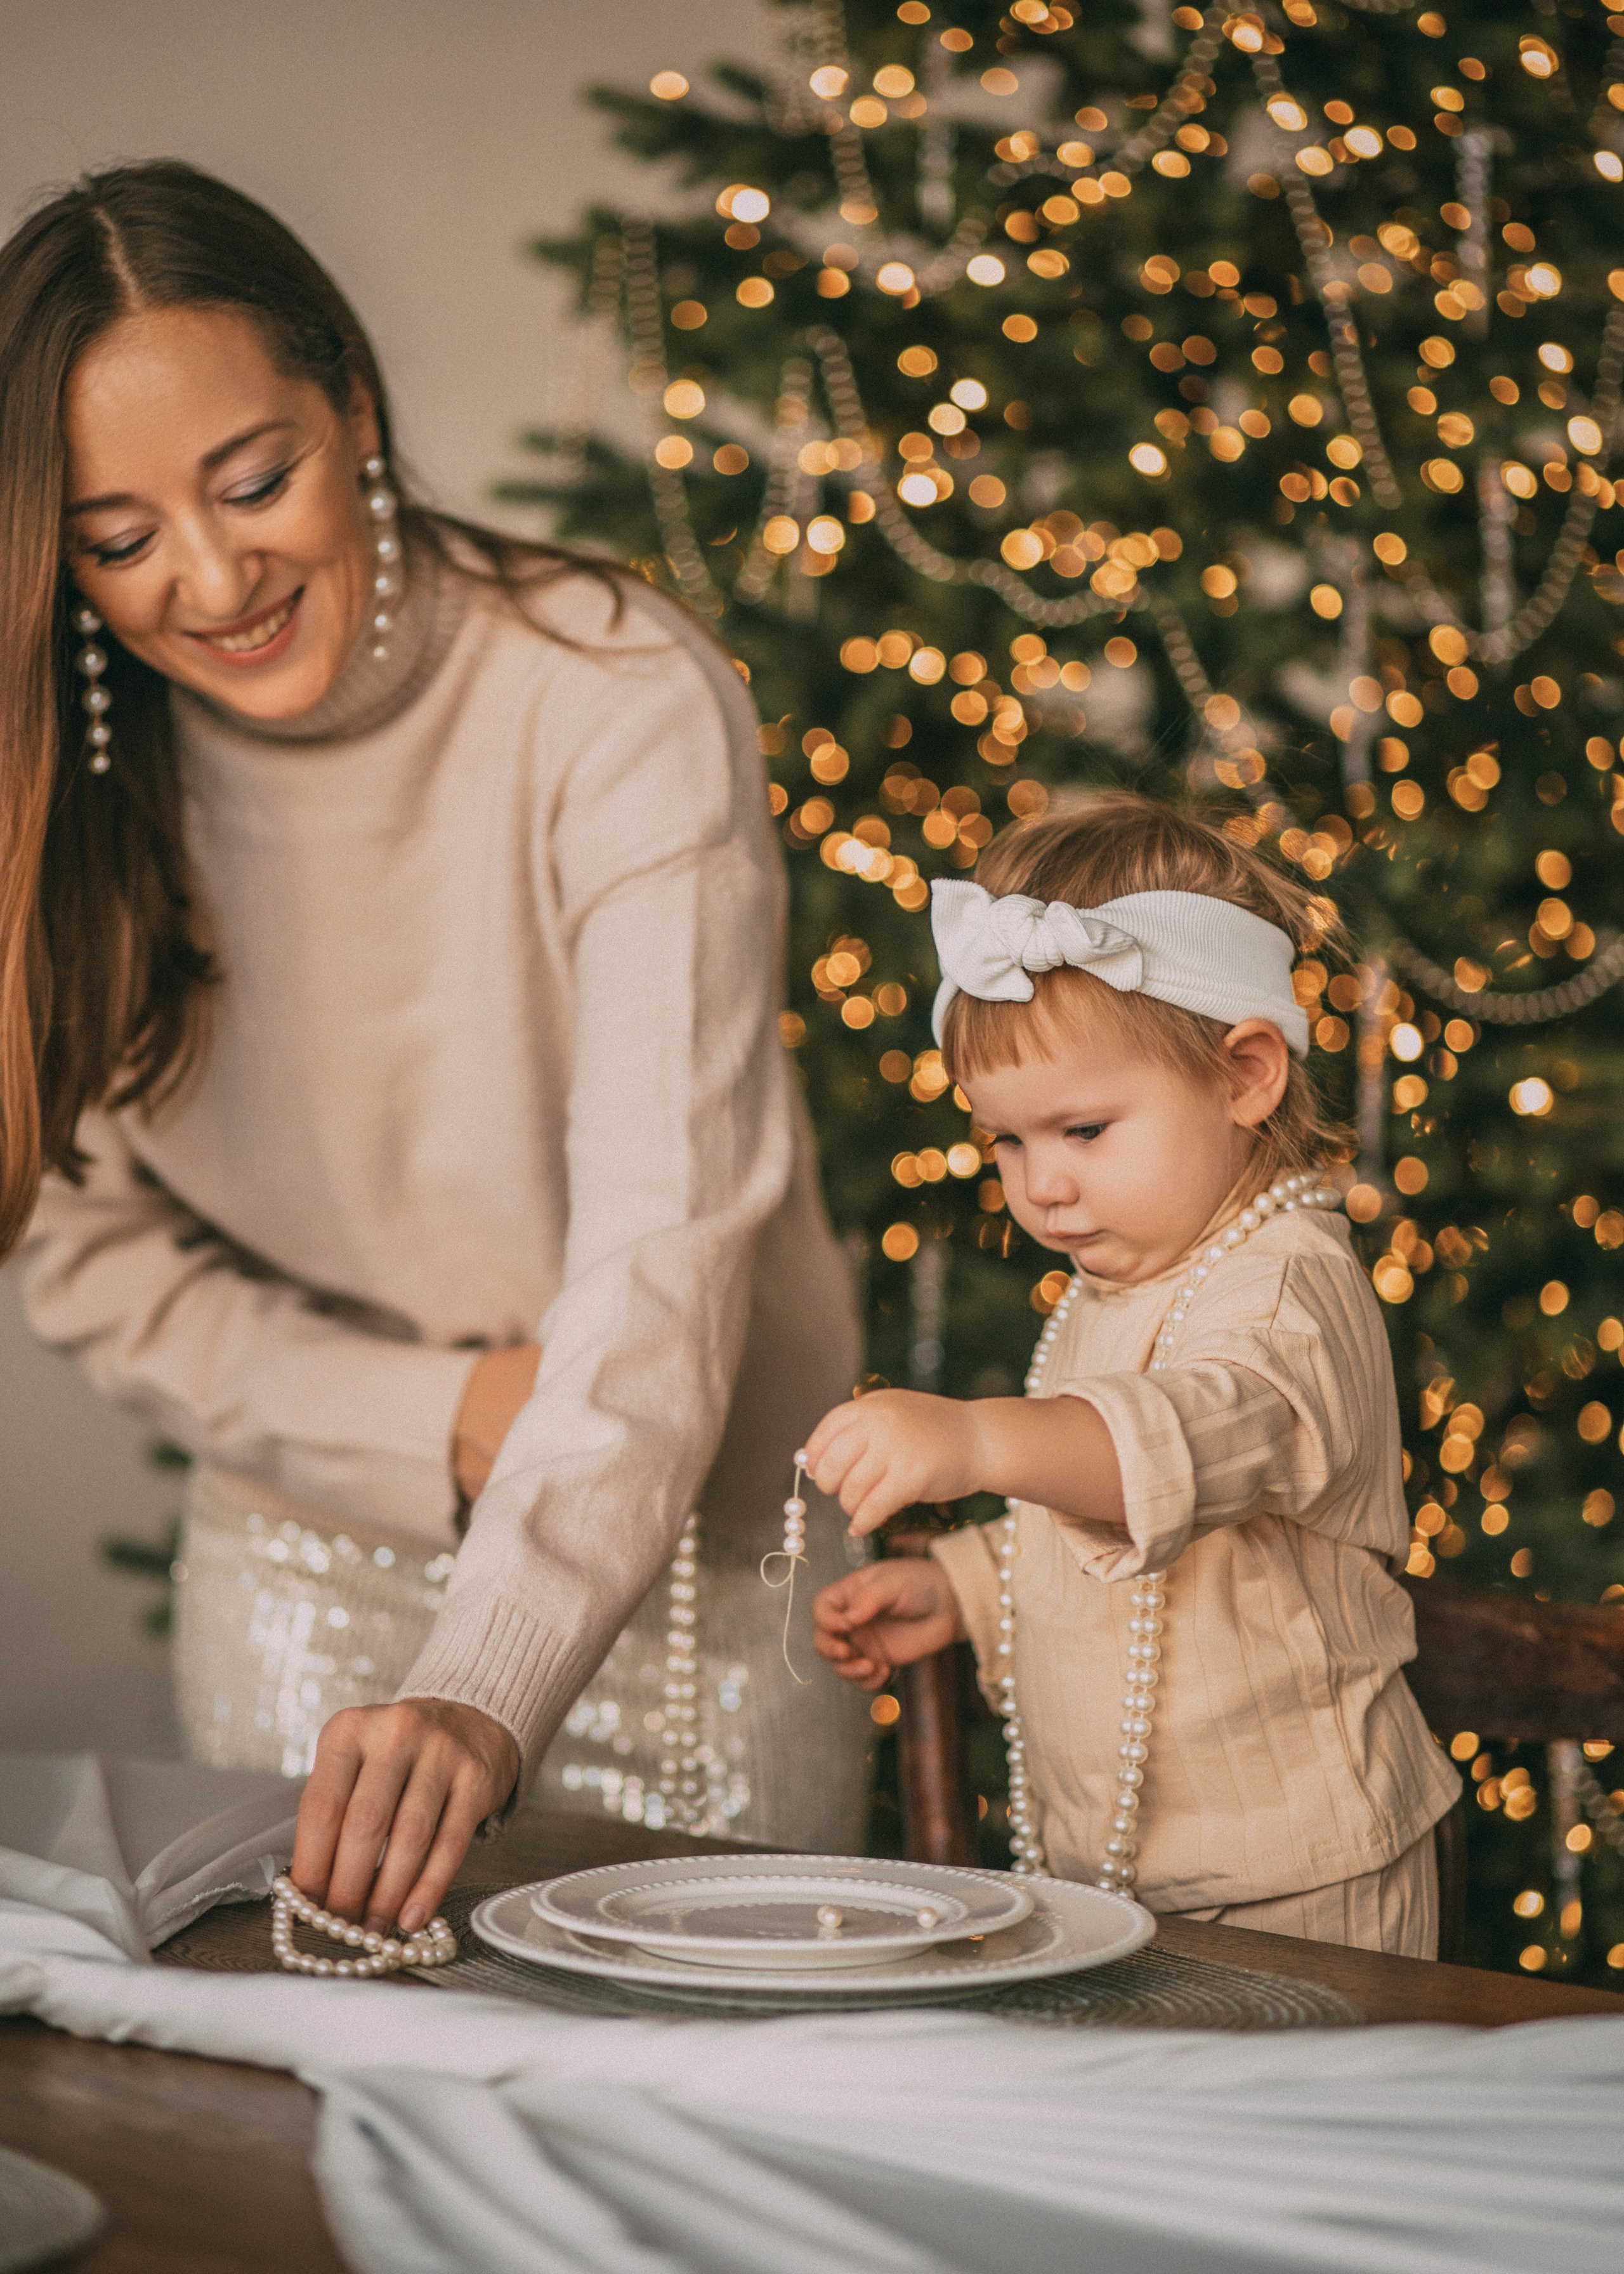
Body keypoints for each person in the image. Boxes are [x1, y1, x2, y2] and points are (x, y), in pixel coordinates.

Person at [0, 161, 868, 1942]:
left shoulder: (613, 702)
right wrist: (435, 1417)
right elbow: (85, 1261)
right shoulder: (57, 783)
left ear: (356, 405)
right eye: (118, 536)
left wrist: (492, 1665)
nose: (212, 574)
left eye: (257, 480)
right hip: (302, 1566)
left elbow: (664, 1260)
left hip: (695, 1588)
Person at [808, 793, 1460, 1957]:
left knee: (1282, 2141)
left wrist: (974, 1441)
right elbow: (1108, 1539)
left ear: (1246, 1075)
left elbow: (1185, 1441)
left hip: (1301, 1888)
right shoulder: (1119, 1286)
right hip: (1121, 1880)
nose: (1040, 1185)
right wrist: (966, 1584)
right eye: (1008, 1141)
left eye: (1085, 1131)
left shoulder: (1284, 1286)